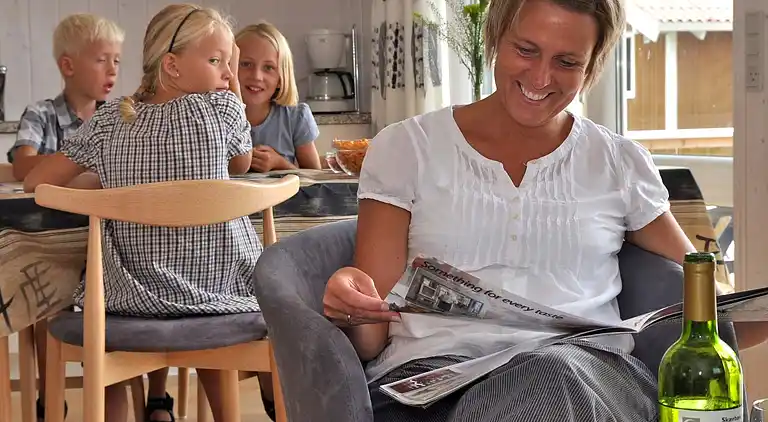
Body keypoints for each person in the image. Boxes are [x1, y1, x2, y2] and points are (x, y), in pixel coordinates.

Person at [321, 0, 768, 421]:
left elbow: (707, 310)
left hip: (588, 377)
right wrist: (349, 300)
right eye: (526, 50)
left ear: (592, 66)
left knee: (553, 375)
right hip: (436, 385)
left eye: (567, 62)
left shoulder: (618, 162)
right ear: (496, 37)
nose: (540, 77)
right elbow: (371, 337)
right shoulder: (405, 148)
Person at [24, 4, 259, 422]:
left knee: (94, 293)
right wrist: (235, 90)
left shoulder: (109, 120)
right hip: (219, 297)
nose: (227, 74)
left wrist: (104, 187)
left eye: (231, 63)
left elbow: (36, 182)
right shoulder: (222, 109)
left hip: (128, 300)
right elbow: (241, 165)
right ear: (172, 66)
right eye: (217, 61)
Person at [6, 13, 124, 422]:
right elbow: (23, 165)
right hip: (52, 246)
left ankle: (113, 394)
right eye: (101, 60)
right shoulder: (41, 114)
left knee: (111, 307)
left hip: (106, 246)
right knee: (44, 298)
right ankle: (49, 398)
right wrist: (78, 166)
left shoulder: (120, 116)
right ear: (68, 65)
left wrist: (66, 172)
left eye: (117, 61)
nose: (112, 70)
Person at [235, 22, 322, 172]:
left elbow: (314, 178)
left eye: (268, 67)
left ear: (281, 78)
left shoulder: (296, 117)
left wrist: (281, 164)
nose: (257, 76)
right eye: (246, 64)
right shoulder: (216, 116)